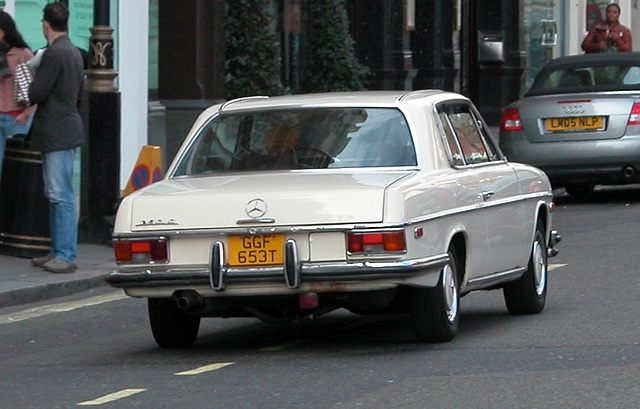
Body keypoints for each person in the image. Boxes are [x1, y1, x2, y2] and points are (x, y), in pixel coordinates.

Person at [28, 2, 85, 274]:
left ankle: (65, 254)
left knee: (60, 195)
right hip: (65, 129)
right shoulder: (72, 51)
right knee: (56, 194)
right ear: (67, 24)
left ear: (45, 24)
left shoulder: (54, 53)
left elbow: (36, 94)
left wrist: (31, 73)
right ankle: (57, 251)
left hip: (56, 132)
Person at [0, 11, 36, 184]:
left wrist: (26, 114)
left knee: (16, 170)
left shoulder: (23, 53)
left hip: (15, 118)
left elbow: (36, 89)